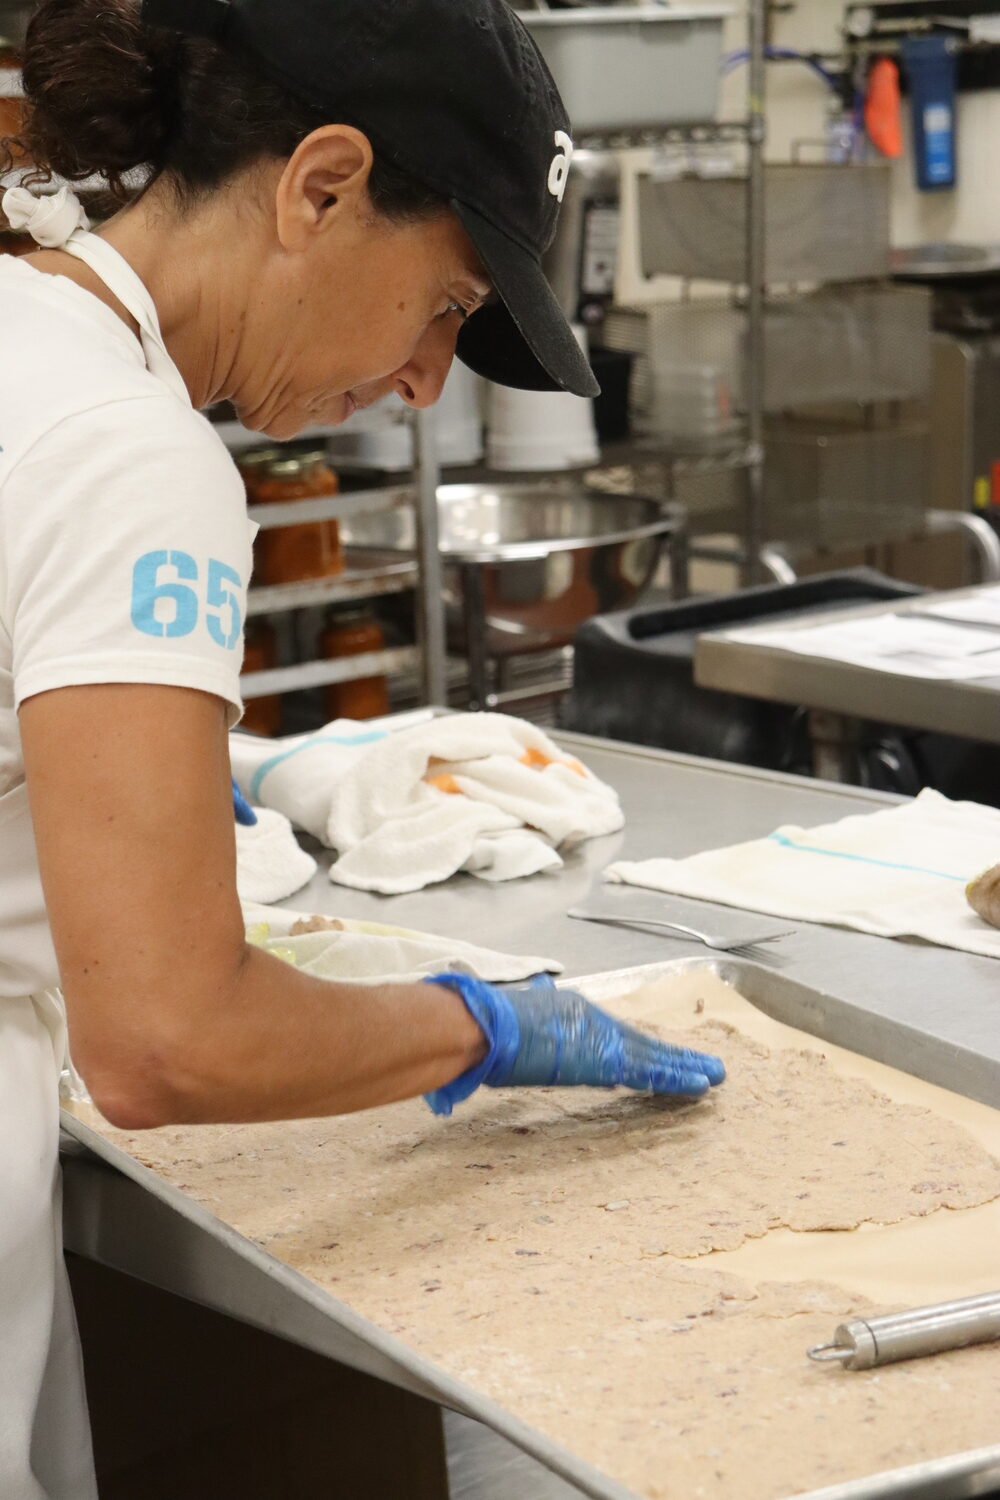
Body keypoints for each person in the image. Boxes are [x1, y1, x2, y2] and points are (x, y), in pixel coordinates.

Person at [0, 0, 726, 1493]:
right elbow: (167, 1040)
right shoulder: (130, 452)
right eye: (449, 305)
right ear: (320, 187)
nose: (425, 383)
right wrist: (485, 1027)